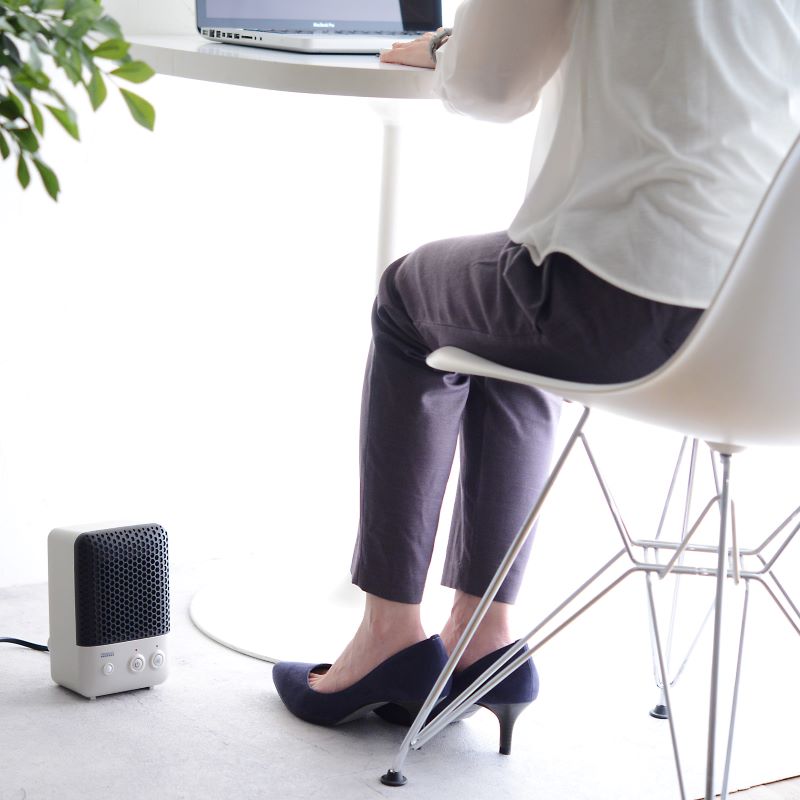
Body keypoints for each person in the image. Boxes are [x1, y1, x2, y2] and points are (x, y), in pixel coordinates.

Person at [272, 0, 800, 752]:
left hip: (625, 299)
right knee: (509, 311)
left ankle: (389, 633)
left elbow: (491, 84)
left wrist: (445, 48)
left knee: (408, 299)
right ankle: (484, 637)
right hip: (770, 325)